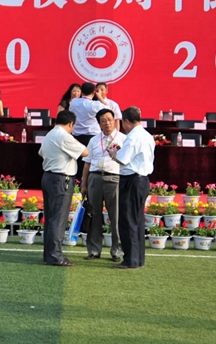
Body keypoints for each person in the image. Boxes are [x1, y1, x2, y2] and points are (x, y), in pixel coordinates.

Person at [39, 110, 89, 266]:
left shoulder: (49, 135)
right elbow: (85, 152)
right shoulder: (64, 136)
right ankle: (55, 255)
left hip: (49, 176)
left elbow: (41, 153)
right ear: (71, 124)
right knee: (58, 218)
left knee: (51, 217)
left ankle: (49, 253)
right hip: (61, 179)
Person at [109, 106, 155, 270]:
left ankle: (130, 259)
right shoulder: (147, 135)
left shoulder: (133, 137)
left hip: (131, 180)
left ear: (126, 121)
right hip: (142, 180)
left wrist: (113, 154)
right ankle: (138, 258)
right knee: (137, 220)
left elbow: (123, 159)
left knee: (127, 220)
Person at [81, 108, 126, 262]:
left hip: (114, 178)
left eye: (109, 119)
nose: (107, 123)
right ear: (99, 123)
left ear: (114, 121)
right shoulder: (94, 140)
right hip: (95, 178)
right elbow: (87, 164)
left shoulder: (123, 139)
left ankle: (117, 251)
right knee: (94, 214)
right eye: (103, 120)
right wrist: (84, 184)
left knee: (116, 216)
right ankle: (94, 250)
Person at [69, 82, 103, 147]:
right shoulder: (95, 104)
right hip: (92, 135)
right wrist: (100, 97)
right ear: (94, 92)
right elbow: (109, 110)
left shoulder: (74, 102)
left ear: (81, 91)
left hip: (76, 136)